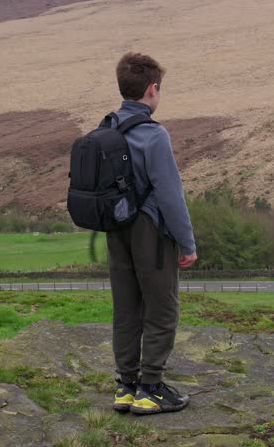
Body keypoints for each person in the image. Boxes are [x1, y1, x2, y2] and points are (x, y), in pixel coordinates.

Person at [108, 52, 198, 415]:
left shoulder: (106, 128)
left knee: (126, 307)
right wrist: (187, 243)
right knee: (162, 307)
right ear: (153, 89)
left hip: (116, 229)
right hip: (151, 229)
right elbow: (170, 195)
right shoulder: (153, 134)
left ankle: (126, 386)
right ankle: (151, 388)